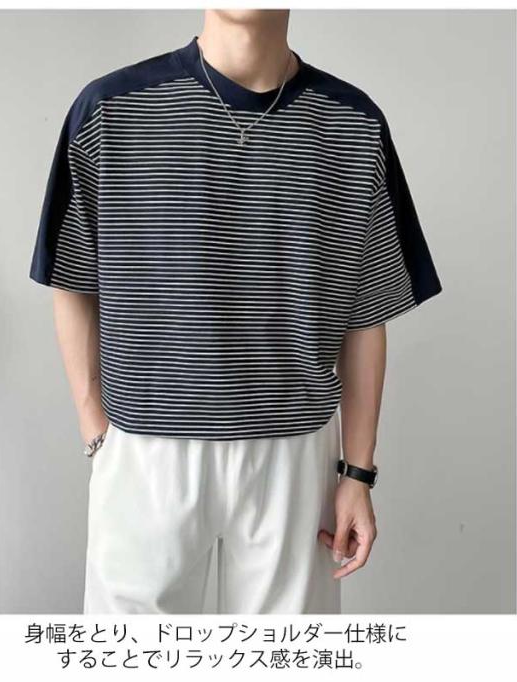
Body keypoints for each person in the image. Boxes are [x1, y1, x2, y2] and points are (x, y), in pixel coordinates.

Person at [29, 9, 442, 614]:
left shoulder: (353, 124)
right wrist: (99, 436)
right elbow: (71, 278)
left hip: (295, 450)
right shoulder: (110, 110)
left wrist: (357, 473)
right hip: (146, 445)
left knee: (287, 652)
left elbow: (365, 312)